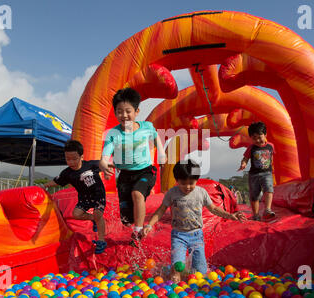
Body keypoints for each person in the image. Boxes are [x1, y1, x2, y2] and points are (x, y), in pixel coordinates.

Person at [142, 160, 247, 282]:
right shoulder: (172, 193)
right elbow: (161, 210)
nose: (187, 187)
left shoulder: (201, 192)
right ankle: (174, 287)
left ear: (197, 179)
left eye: (191, 183)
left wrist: (230, 215)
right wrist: (149, 225)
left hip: (196, 235)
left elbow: (213, 208)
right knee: (177, 267)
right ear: (177, 180)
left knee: (201, 271)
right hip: (178, 236)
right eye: (183, 183)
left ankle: (194, 286)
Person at [99, 87, 166, 247]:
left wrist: (162, 153)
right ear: (115, 113)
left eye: (128, 111)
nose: (124, 115)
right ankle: (133, 225)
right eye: (119, 111)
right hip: (124, 175)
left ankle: (138, 231)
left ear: (137, 111)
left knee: (137, 194)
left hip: (145, 171)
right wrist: (103, 162)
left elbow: (156, 138)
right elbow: (106, 152)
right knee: (126, 219)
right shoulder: (113, 133)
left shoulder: (146, 127)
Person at [42, 140, 107, 254]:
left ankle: (101, 240)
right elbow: (57, 181)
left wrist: (113, 168)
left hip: (98, 195)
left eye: (74, 159)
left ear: (81, 157)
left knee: (98, 214)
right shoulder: (67, 173)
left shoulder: (90, 165)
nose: (71, 162)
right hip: (84, 198)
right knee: (76, 214)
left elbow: (103, 164)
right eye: (68, 159)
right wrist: (44, 185)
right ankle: (94, 219)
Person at [238, 121, 276, 221]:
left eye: (259, 137)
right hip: (254, 175)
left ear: (265, 134)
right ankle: (256, 215)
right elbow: (245, 158)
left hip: (267, 173)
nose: (258, 140)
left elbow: (272, 157)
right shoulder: (251, 148)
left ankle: (267, 209)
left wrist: (273, 168)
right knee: (254, 195)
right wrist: (243, 163)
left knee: (269, 189)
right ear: (251, 138)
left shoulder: (270, 146)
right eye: (254, 138)